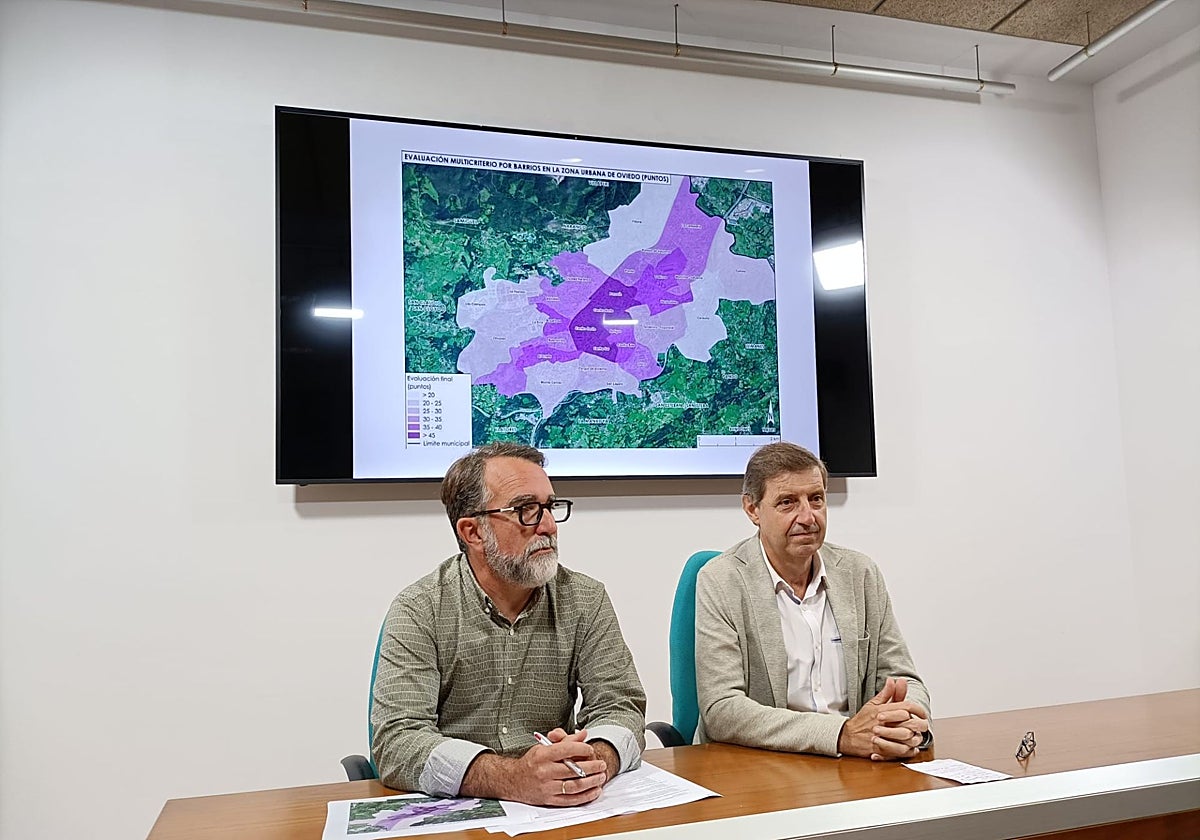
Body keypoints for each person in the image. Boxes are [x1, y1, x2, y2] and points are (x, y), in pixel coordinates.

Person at [371, 442, 646, 805]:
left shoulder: (584, 599)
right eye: (525, 510)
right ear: (473, 532)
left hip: (560, 808)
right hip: (461, 809)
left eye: (549, 506)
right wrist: (510, 778)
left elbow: (621, 705)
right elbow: (397, 741)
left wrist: (595, 760)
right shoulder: (420, 609)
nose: (548, 525)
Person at [695, 442, 931, 760]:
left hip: (858, 761)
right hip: (765, 765)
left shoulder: (859, 573)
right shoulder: (721, 579)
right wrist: (838, 735)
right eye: (788, 503)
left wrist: (906, 725)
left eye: (816, 499)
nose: (808, 517)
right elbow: (721, 709)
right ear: (752, 509)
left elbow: (903, 677)